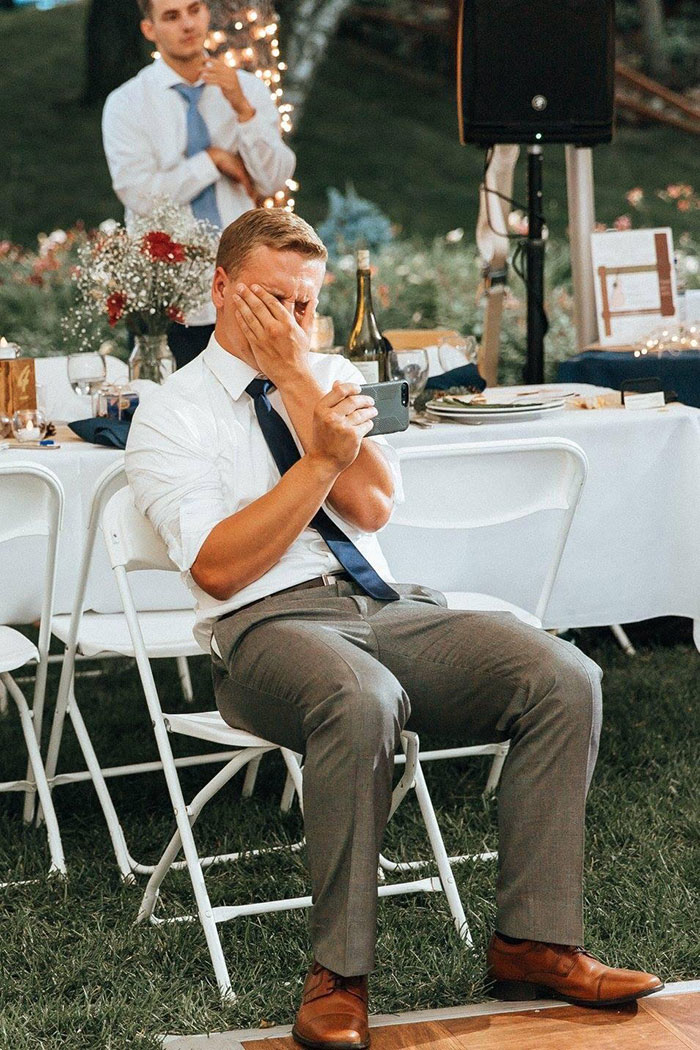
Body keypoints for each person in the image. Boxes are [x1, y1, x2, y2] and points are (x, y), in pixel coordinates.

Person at [125, 209, 663, 1049]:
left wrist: (300, 382)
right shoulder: (171, 412)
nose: (294, 322)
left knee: (566, 678)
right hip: (263, 631)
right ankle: (339, 976)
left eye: (307, 305)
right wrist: (320, 459)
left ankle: (535, 941)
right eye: (274, 301)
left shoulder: (329, 373)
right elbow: (221, 570)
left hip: (383, 604)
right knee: (361, 696)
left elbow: (372, 506)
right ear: (222, 290)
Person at [102, 0, 296, 369]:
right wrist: (212, 161)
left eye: (194, 10)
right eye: (171, 16)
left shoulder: (248, 90)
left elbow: (273, 178)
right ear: (149, 28)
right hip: (166, 300)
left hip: (245, 290)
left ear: (207, 14)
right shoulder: (126, 103)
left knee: (251, 413)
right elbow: (139, 194)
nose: (187, 24)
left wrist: (243, 111)